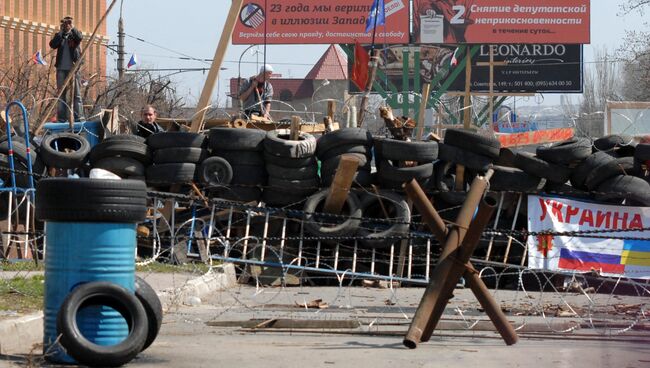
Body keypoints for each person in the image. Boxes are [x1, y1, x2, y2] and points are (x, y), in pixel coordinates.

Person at [49, 16, 84, 122]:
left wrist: (73, 28)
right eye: (65, 23)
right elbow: (52, 44)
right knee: (61, 95)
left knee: (76, 94)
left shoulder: (74, 35)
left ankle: (78, 116)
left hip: (73, 68)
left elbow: (80, 38)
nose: (67, 25)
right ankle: (62, 118)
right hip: (61, 69)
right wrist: (60, 32)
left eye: (69, 23)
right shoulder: (60, 36)